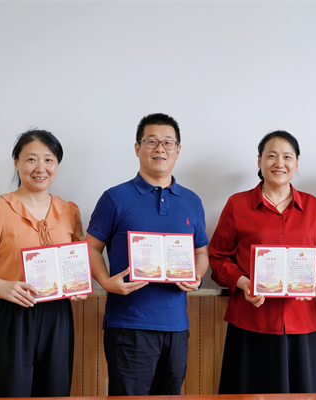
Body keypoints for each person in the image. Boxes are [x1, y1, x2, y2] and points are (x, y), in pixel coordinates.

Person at [86, 113, 209, 396]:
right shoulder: (115, 198)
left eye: (168, 142)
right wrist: (105, 281)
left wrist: (198, 276)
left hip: (177, 327)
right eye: (151, 141)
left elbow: (201, 252)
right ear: (137, 148)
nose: (160, 148)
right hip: (129, 326)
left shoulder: (192, 201)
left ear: (178, 150)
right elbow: (91, 247)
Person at [209, 130, 316, 394]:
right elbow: (218, 257)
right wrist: (243, 283)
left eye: (287, 157)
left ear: (297, 163)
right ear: (259, 161)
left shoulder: (313, 206)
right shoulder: (237, 204)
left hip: (300, 322)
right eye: (271, 156)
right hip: (251, 321)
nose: (280, 163)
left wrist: (314, 275)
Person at [0, 129, 85, 400]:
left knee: (54, 392)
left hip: (58, 314)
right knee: (9, 392)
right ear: (16, 163)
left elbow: (76, 261)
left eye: (49, 159)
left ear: (57, 165)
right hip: (11, 313)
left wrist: (78, 285)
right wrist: (2, 286)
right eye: (31, 159)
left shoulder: (69, 210)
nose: (41, 168)